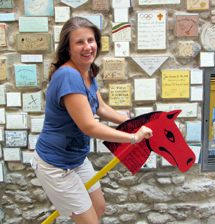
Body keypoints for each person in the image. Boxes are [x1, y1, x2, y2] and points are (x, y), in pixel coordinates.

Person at [31, 17, 153, 224]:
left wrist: (134, 122)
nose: (87, 47)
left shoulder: (86, 72)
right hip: (55, 165)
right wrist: (132, 137)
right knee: (89, 221)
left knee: (99, 207)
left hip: (76, 160)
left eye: (91, 40)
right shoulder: (68, 75)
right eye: (79, 42)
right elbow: (88, 126)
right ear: (68, 48)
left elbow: (102, 108)